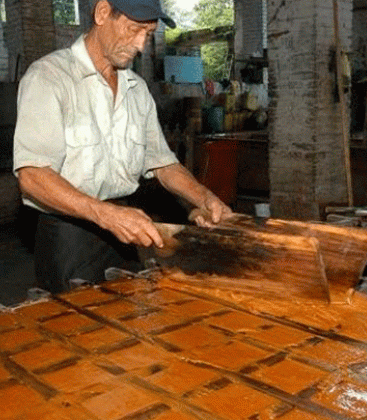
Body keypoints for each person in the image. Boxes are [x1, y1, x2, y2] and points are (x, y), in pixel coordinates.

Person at [13, 0, 232, 294]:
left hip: (125, 233)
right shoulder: (49, 78)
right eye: (133, 30)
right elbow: (32, 176)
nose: (141, 45)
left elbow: (162, 163)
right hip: (69, 238)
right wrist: (105, 215)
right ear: (103, 13)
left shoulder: (137, 90)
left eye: (149, 34)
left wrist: (204, 198)